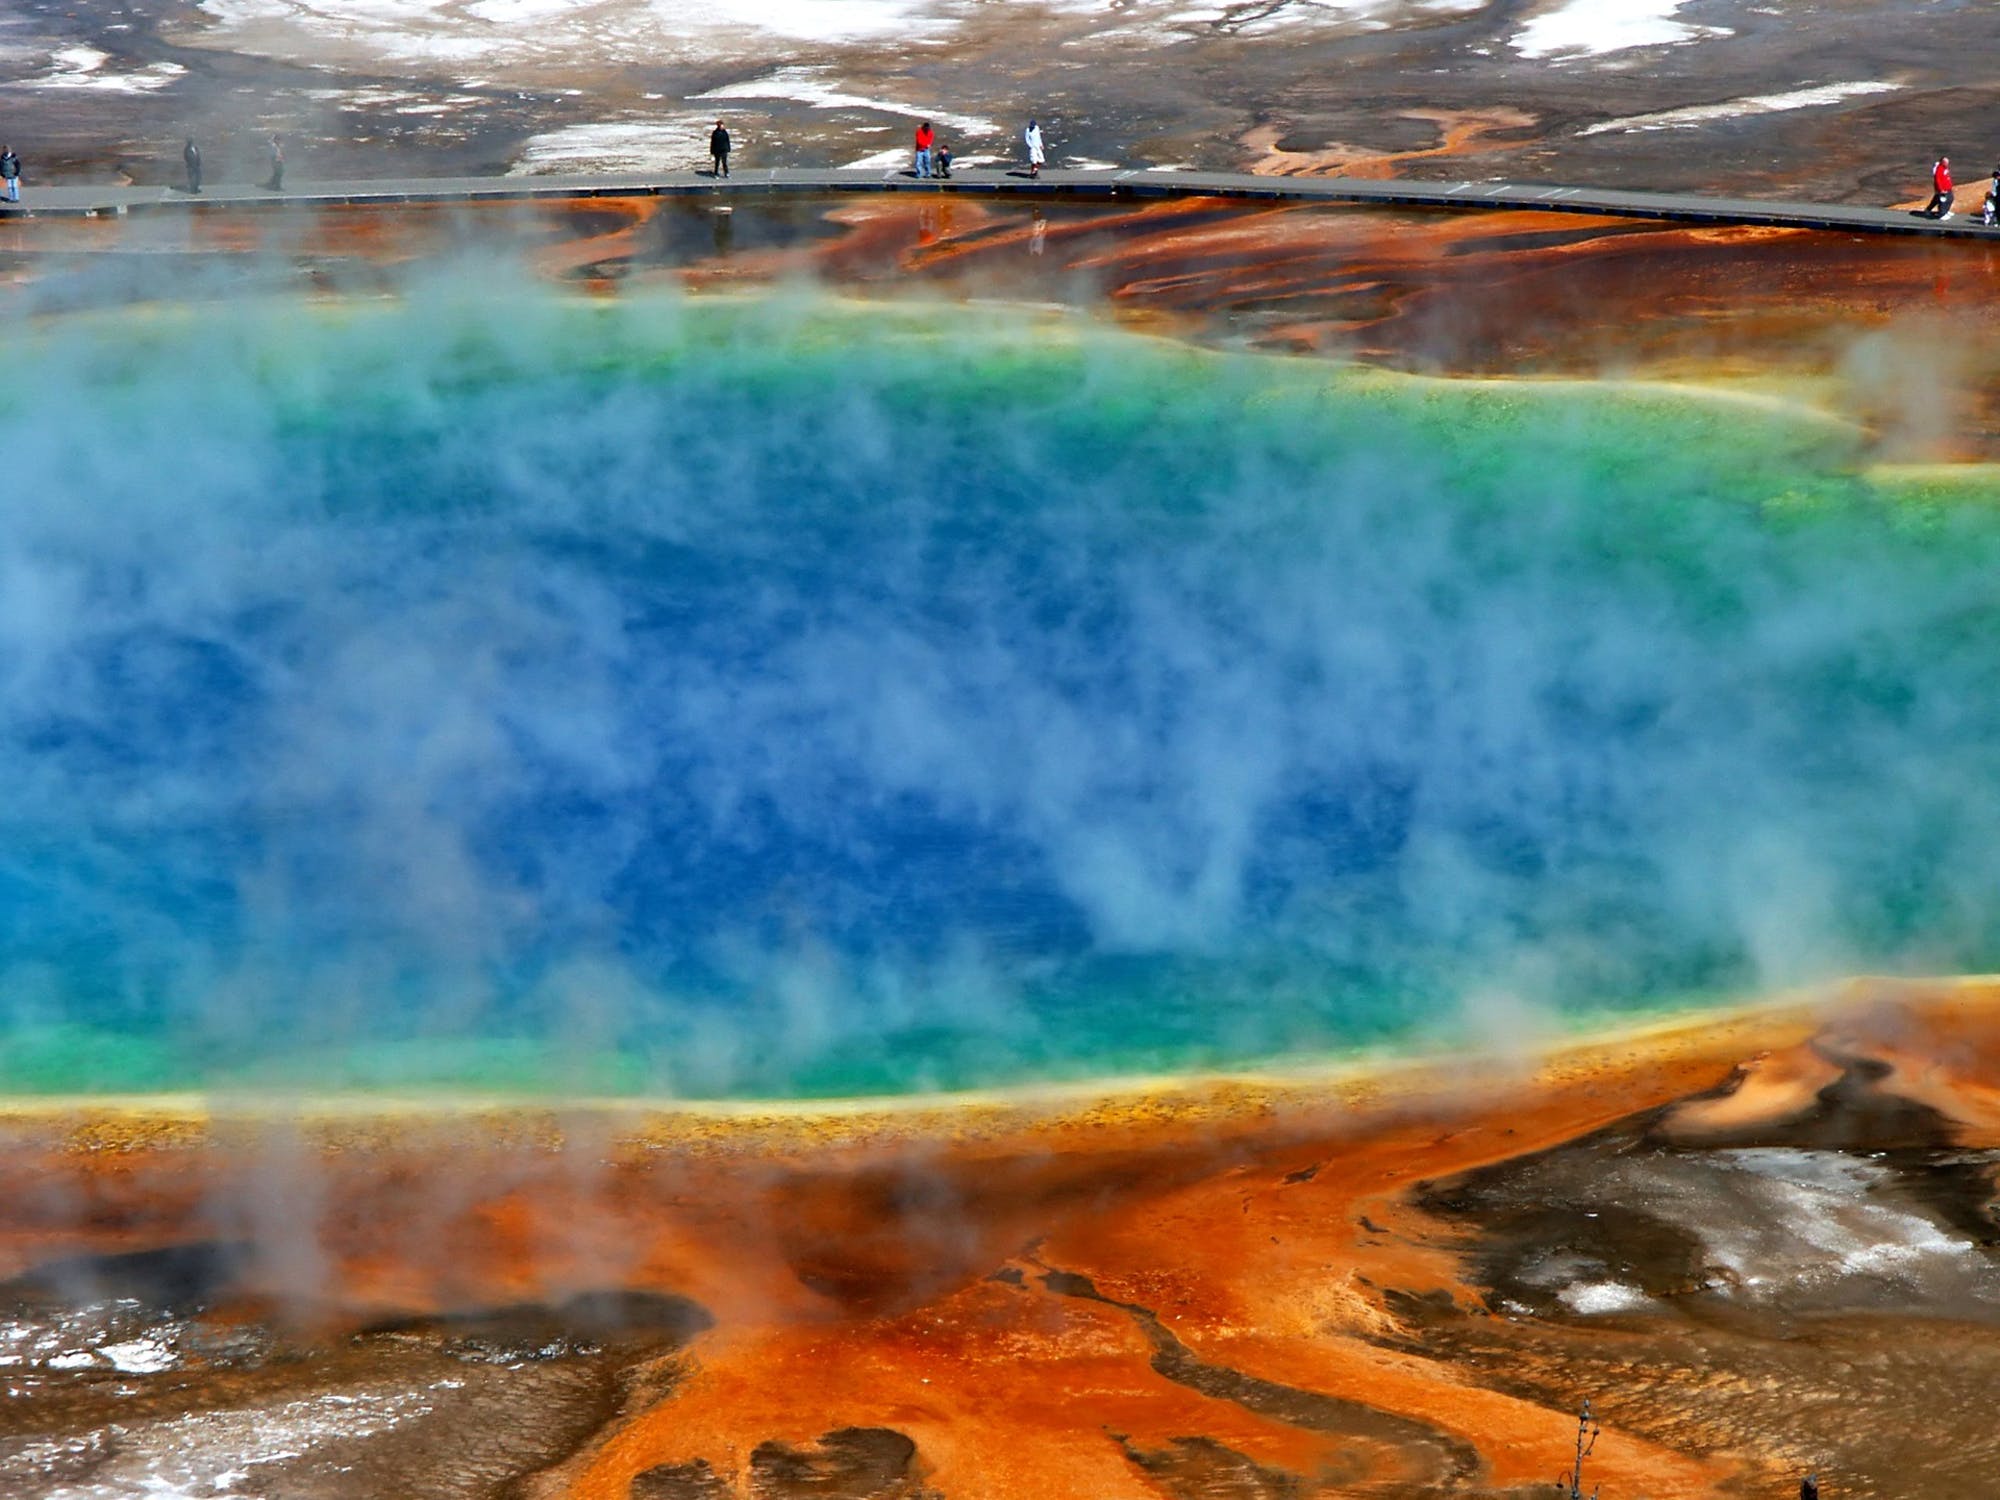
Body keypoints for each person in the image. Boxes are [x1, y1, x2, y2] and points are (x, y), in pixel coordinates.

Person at [1924, 152, 1953, 219]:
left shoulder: (1945, 168)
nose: (1947, 163)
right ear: (1942, 162)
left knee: (1950, 198)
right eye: (1946, 162)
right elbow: (1938, 180)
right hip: (1942, 189)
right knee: (1942, 200)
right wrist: (1941, 189)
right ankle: (1941, 214)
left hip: (1947, 188)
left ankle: (1945, 211)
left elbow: (1947, 177)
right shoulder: (1939, 169)